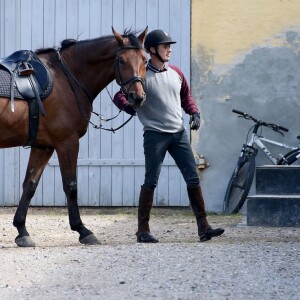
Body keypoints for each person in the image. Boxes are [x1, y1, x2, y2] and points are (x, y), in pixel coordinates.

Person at [113, 29, 224, 243]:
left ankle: (204, 227)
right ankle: (142, 230)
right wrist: (128, 106)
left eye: (170, 46)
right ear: (153, 49)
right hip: (155, 135)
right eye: (165, 46)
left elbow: (186, 97)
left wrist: (194, 112)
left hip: (178, 134)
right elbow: (120, 95)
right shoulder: (142, 74)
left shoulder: (177, 73)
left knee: (192, 177)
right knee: (151, 181)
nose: (170, 49)